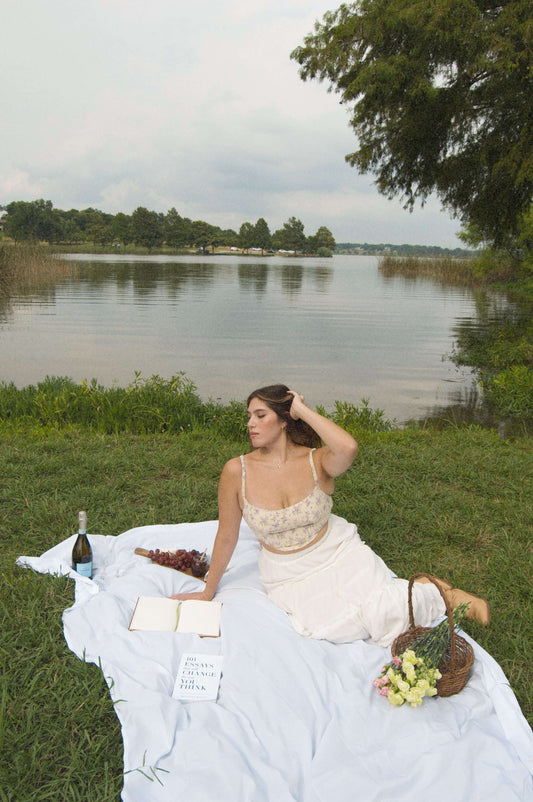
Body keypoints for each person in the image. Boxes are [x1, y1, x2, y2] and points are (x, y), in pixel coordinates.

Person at [171, 384, 490, 646]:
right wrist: (208, 590)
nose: (250, 424)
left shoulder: (317, 460)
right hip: (286, 571)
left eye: (260, 415)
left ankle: (443, 594)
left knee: (384, 614)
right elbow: (227, 534)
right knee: (334, 629)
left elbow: (348, 447)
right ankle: (427, 590)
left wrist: (303, 410)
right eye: (248, 417)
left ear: (284, 420)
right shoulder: (235, 471)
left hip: (335, 551)